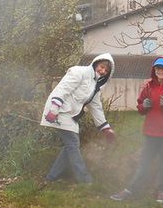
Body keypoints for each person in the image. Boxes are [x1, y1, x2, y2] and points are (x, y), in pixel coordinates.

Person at [110, 56, 163, 203]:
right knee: (143, 164)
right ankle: (131, 189)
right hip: (150, 133)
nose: (160, 71)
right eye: (157, 68)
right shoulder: (148, 88)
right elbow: (140, 110)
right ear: (154, 70)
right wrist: (144, 105)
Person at [41, 53, 116, 184]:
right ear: (96, 63)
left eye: (106, 70)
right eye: (102, 66)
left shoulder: (95, 86)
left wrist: (106, 128)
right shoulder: (79, 72)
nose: (103, 71)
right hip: (58, 110)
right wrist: (54, 109)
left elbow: (96, 107)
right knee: (73, 144)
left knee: (70, 146)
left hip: (70, 115)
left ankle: (51, 177)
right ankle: (85, 180)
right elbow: (63, 88)